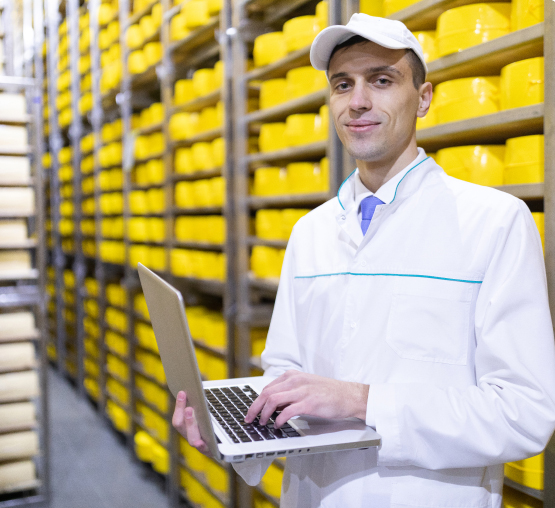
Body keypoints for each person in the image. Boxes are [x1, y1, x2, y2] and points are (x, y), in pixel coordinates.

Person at [172, 13, 555, 507]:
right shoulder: (310, 232)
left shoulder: (495, 222)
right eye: (341, 85)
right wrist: (233, 435)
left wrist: (362, 401)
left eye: (381, 80)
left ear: (423, 98)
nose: (357, 102)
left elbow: (524, 412)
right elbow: (284, 374)